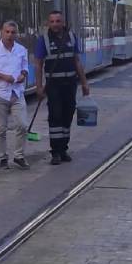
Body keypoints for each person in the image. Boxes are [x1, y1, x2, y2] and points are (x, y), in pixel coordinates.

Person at [35, 10, 90, 164]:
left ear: (63, 23)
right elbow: (38, 65)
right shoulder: (43, 40)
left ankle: (64, 148)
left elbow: (77, 61)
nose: (55, 24)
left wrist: (84, 82)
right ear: (48, 23)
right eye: (52, 21)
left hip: (70, 84)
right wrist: (39, 87)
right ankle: (55, 152)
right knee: (55, 116)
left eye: (58, 21)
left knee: (67, 115)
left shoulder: (72, 37)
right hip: (53, 85)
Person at [0, 20, 31, 171]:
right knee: (1, 129)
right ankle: (3, 157)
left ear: (16, 34)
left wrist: (23, 74)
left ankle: (19, 155)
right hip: (0, 93)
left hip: (17, 92)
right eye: (7, 32)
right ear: (1, 32)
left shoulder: (21, 49)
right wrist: (3, 76)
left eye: (13, 32)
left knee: (22, 125)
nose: (10, 35)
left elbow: (24, 66)